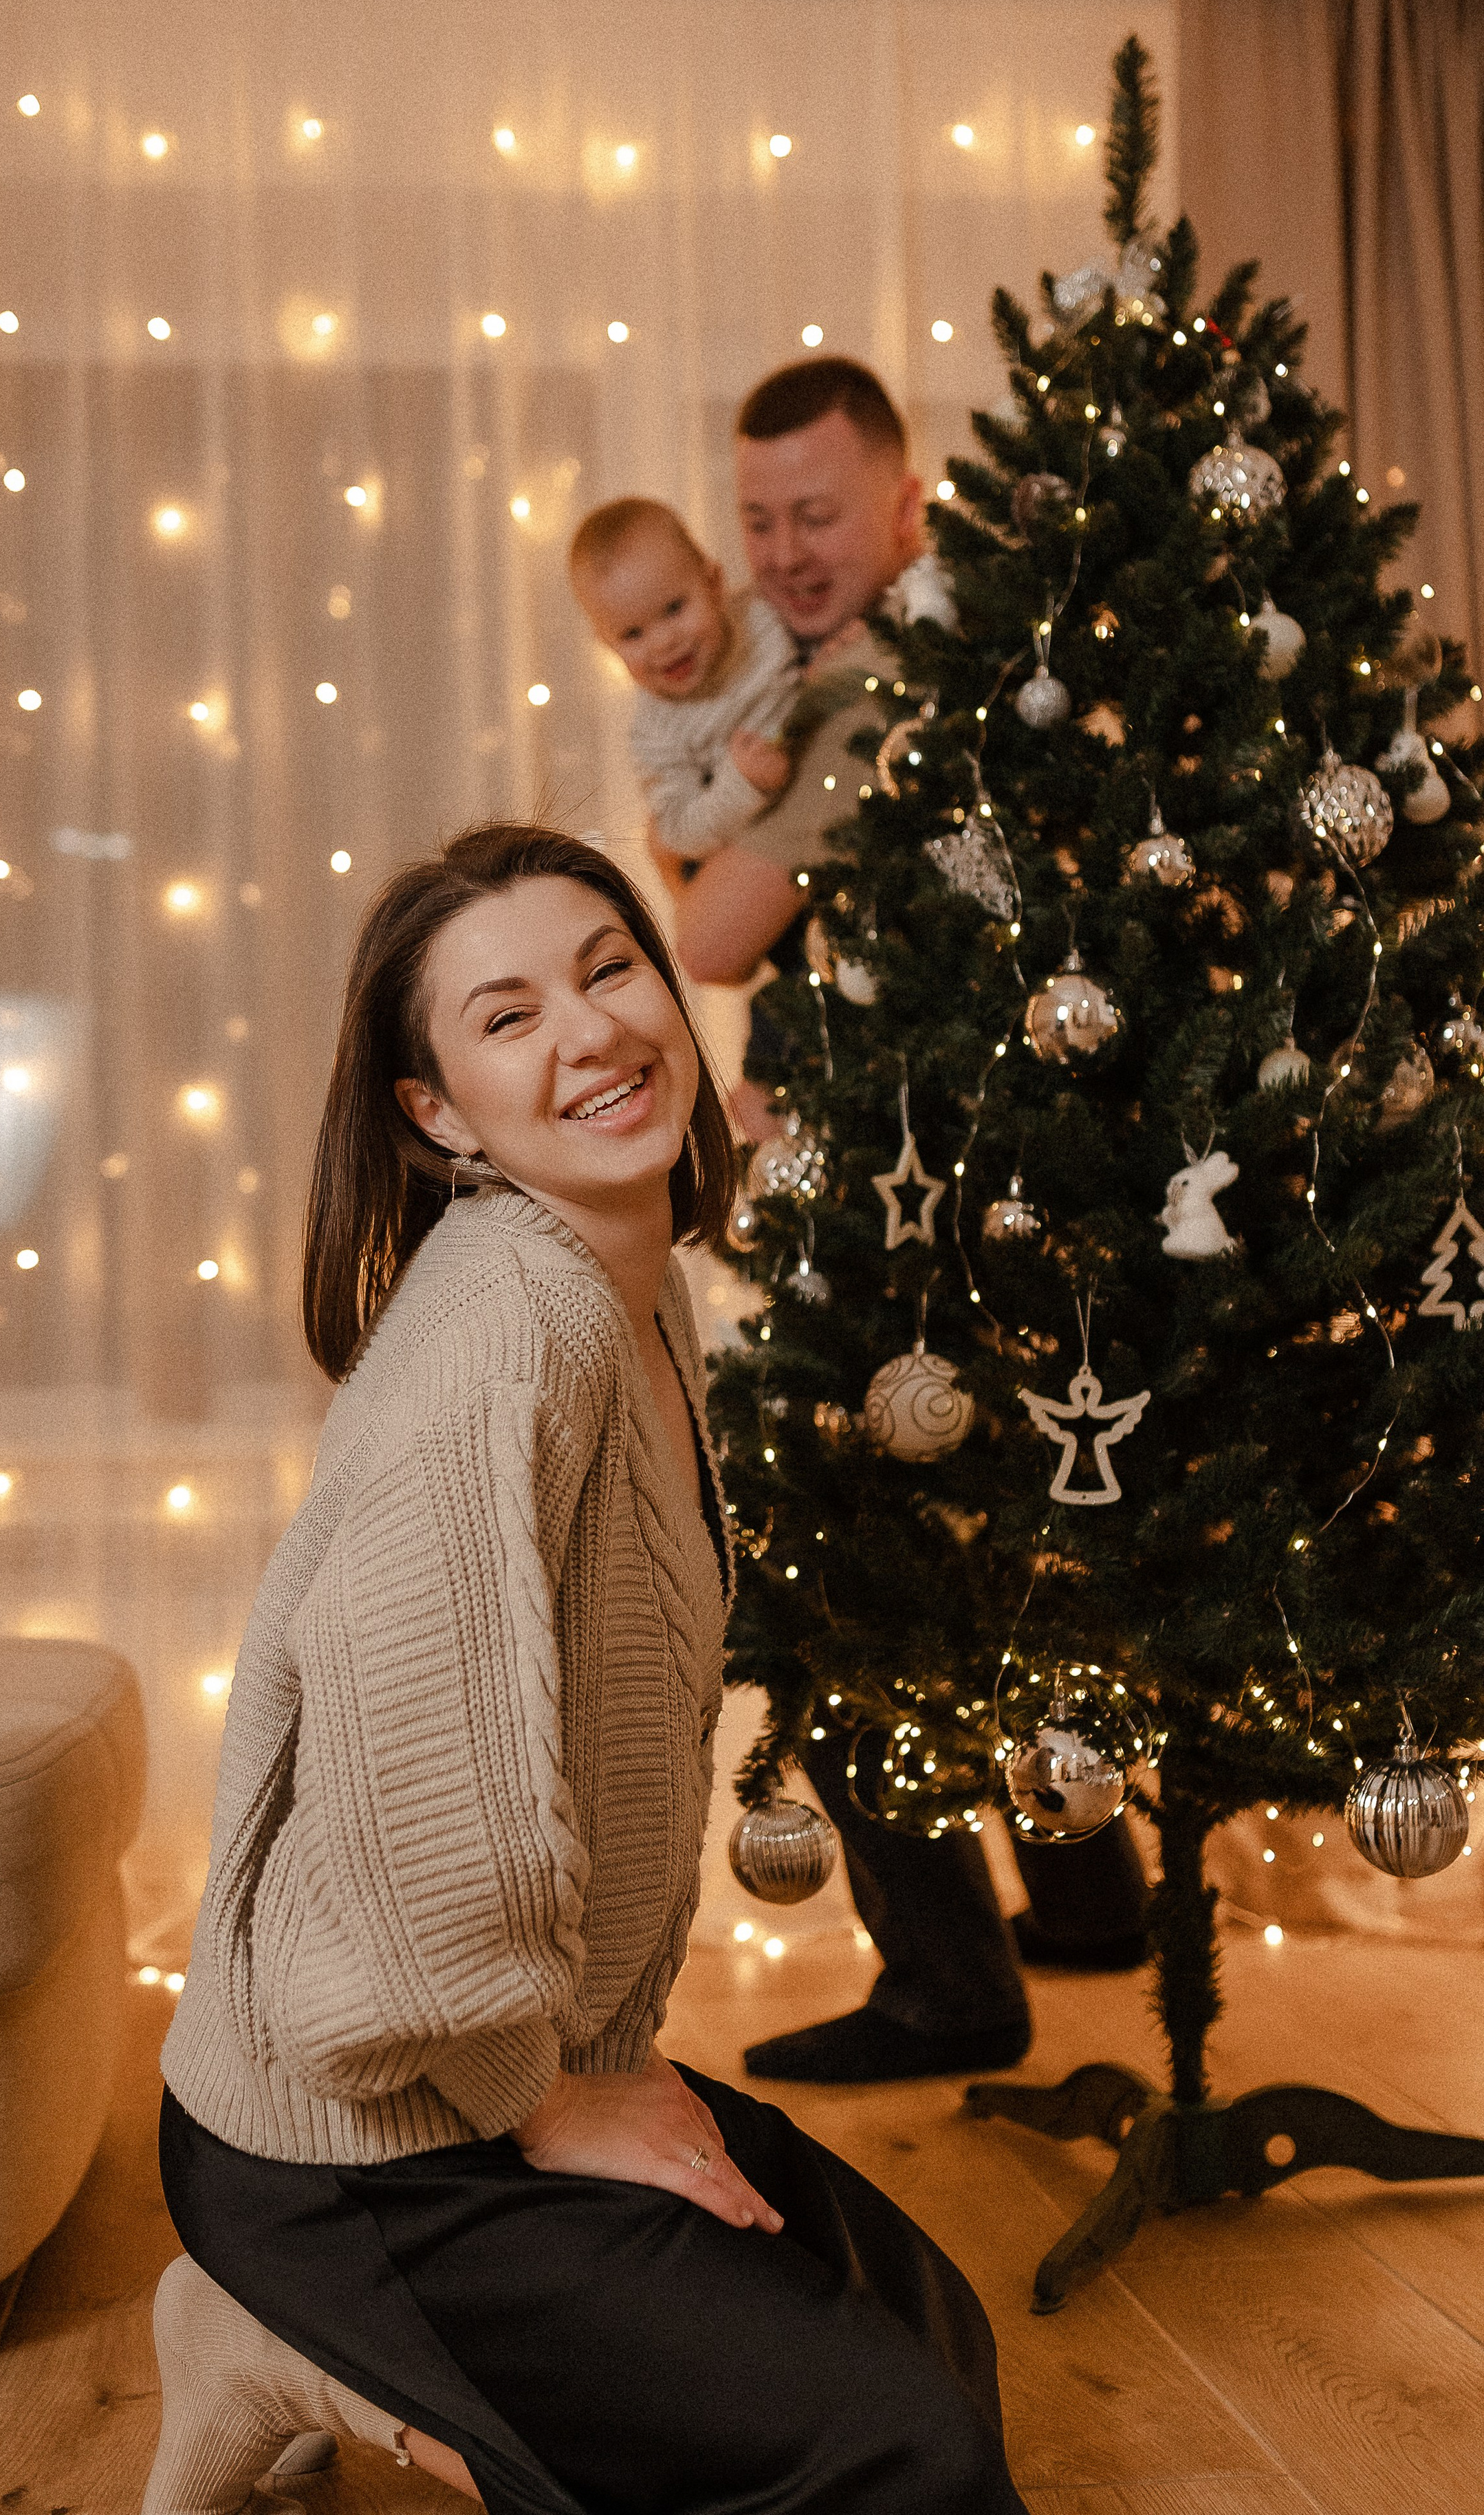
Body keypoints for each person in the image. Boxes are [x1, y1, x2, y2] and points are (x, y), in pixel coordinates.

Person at [158, 823, 1027, 2515]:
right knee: (891, 2456)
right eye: (506, 1016)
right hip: (358, 2138)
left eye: (607, 966)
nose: (590, 1032)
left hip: (472, 2069)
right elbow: (411, 1808)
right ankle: (289, 2332)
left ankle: (301, 2343)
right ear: (434, 1114)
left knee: (922, 2331)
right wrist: (542, 2094)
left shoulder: (626, 1283)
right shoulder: (506, 1338)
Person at [673, 359, 1151, 2087]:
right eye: (757, 519)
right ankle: (1094, 1901)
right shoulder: (928, 660)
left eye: (816, 513)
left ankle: (949, 1984)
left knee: (840, 1554)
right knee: (1013, 1535)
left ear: (898, 501)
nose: (787, 550)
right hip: (990, 1182)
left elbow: (716, 938)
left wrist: (694, 825)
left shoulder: (875, 687)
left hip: (895, 1206)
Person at [569, 494, 796, 859]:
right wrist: (743, 783)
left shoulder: (763, 616)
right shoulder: (656, 734)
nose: (663, 642)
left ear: (714, 583)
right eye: (632, 634)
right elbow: (676, 832)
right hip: (760, 836)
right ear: (608, 645)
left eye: (674, 609)